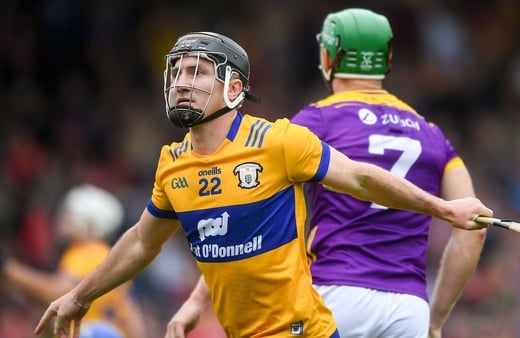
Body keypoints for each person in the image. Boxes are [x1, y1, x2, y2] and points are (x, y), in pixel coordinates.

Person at [34, 31, 492, 338]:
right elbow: (140, 243)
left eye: (197, 73)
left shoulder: (277, 141)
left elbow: (361, 178)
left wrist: (444, 209)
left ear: (234, 88)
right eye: (177, 72)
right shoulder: (171, 165)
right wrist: (79, 295)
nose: (181, 84)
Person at [289, 8, 488, 338]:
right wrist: (434, 320)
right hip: (409, 307)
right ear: (387, 58)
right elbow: (474, 229)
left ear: (329, 55)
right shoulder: (433, 134)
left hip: (334, 291)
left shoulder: (316, 120)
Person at [0, 183, 146, 338]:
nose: (62, 218)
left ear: (89, 223)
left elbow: (58, 294)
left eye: (69, 213)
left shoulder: (86, 252)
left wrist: (7, 268)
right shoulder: (107, 254)